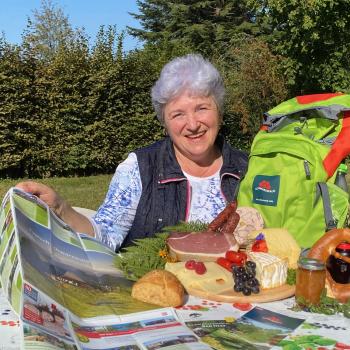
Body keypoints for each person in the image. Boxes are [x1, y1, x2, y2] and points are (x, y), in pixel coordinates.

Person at [17, 54, 248, 252]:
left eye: (201, 108)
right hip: (152, 296)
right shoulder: (140, 166)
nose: (192, 124)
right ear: (165, 123)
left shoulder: (248, 168)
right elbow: (104, 236)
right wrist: (60, 208)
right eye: (178, 114)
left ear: (219, 111)